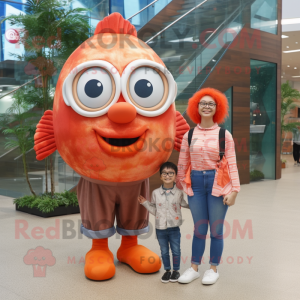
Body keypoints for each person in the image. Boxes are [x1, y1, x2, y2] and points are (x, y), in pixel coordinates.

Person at [176, 88, 240, 285]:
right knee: (199, 229)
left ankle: (213, 269)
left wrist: (235, 191)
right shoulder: (189, 134)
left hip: (218, 183)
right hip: (195, 183)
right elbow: (182, 163)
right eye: (202, 103)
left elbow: (232, 163)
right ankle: (194, 267)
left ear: (217, 108)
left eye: (211, 103)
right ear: (196, 107)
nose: (206, 106)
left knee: (216, 230)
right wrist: (180, 189)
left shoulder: (224, 134)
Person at [138, 162, 189, 283]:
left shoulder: (179, 193)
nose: (167, 175)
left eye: (171, 173)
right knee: (164, 251)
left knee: (176, 250)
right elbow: (156, 211)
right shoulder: (155, 193)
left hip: (174, 228)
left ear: (175, 175)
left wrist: (198, 203)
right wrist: (145, 203)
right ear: (160, 176)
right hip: (160, 228)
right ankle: (167, 271)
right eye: (164, 173)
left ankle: (176, 271)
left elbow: (186, 204)